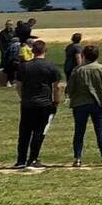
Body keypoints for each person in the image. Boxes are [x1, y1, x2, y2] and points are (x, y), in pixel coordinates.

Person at [14, 38, 65, 170]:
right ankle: (33, 159)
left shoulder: (24, 66)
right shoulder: (51, 67)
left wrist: (23, 97)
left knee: (24, 132)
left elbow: (18, 85)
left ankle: (20, 160)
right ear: (45, 51)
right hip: (44, 103)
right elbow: (56, 87)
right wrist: (56, 101)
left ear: (32, 51)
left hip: (27, 103)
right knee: (39, 131)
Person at [68, 43, 102, 167]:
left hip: (80, 103)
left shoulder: (77, 70)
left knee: (79, 131)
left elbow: (70, 88)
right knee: (100, 130)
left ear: (83, 55)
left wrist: (72, 96)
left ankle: (77, 158)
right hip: (98, 103)